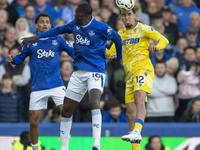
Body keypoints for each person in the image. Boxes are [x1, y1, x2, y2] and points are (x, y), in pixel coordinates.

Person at [21, 4, 122, 150]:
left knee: (94, 102)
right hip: (79, 72)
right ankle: (64, 147)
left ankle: (96, 144)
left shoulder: (100, 27)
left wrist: (118, 56)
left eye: (76, 14)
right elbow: (58, 30)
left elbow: (117, 38)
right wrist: (38, 36)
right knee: (66, 110)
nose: (73, 16)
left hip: (96, 71)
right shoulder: (74, 24)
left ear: (83, 15)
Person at [6, 13, 75, 150]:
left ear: (51, 25)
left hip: (57, 85)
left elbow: (72, 53)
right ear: (36, 25)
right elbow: (20, 58)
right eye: (42, 22)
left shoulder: (58, 40)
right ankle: (35, 148)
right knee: (33, 122)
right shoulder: (31, 42)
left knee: (67, 113)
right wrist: (13, 60)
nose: (45, 24)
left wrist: (83, 56)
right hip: (38, 87)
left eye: (47, 22)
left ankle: (64, 145)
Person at [106, 8, 169, 150]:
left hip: (144, 69)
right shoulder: (120, 35)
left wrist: (156, 48)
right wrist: (97, 45)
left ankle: (137, 131)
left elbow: (164, 40)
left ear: (135, 15)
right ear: (121, 18)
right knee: (130, 113)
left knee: (139, 97)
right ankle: (135, 146)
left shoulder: (144, 29)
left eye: (129, 14)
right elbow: (110, 55)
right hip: (129, 76)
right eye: (124, 15)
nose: (127, 17)